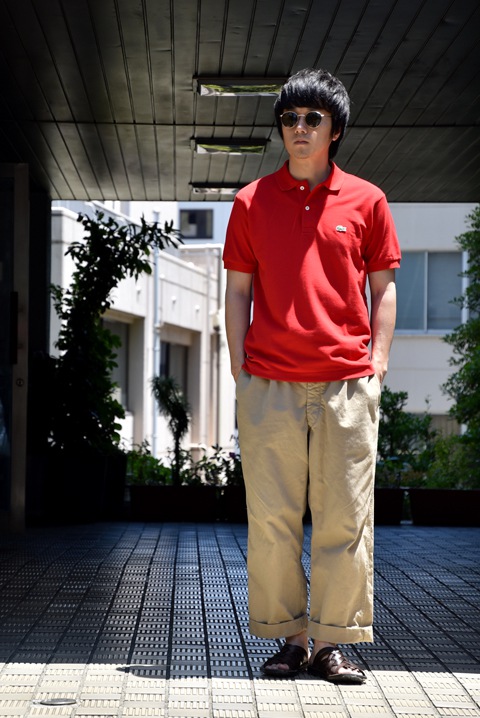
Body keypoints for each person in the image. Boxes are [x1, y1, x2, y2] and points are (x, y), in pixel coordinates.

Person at [222, 68, 401, 683]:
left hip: (347, 384)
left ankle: (332, 644)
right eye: (289, 118)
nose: (298, 128)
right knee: (271, 520)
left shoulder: (368, 201)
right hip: (269, 384)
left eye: (312, 118)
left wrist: (378, 363)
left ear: (335, 130)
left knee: (344, 521)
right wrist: (241, 370)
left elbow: (383, 288)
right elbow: (237, 291)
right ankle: (289, 639)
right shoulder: (250, 202)